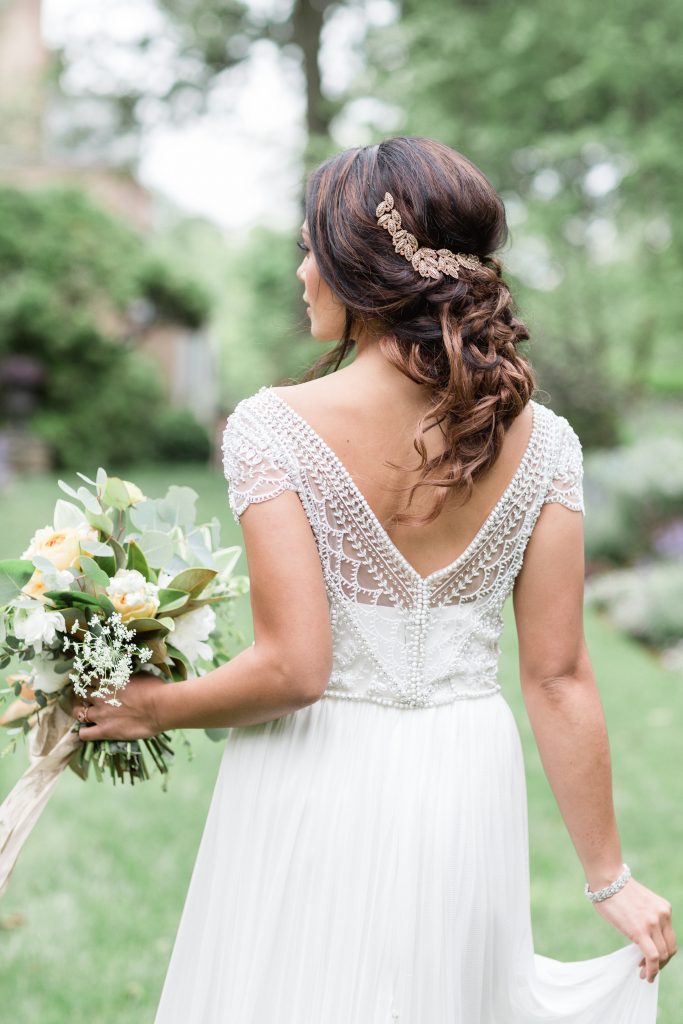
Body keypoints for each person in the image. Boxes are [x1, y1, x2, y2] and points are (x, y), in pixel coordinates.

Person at [72, 136, 676, 1022]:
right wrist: (608, 878)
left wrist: (151, 704)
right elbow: (557, 675)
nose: (301, 270)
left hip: (314, 770)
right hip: (464, 775)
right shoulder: (546, 444)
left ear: (362, 265)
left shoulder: (271, 427)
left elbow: (295, 670)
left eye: (311, 245)